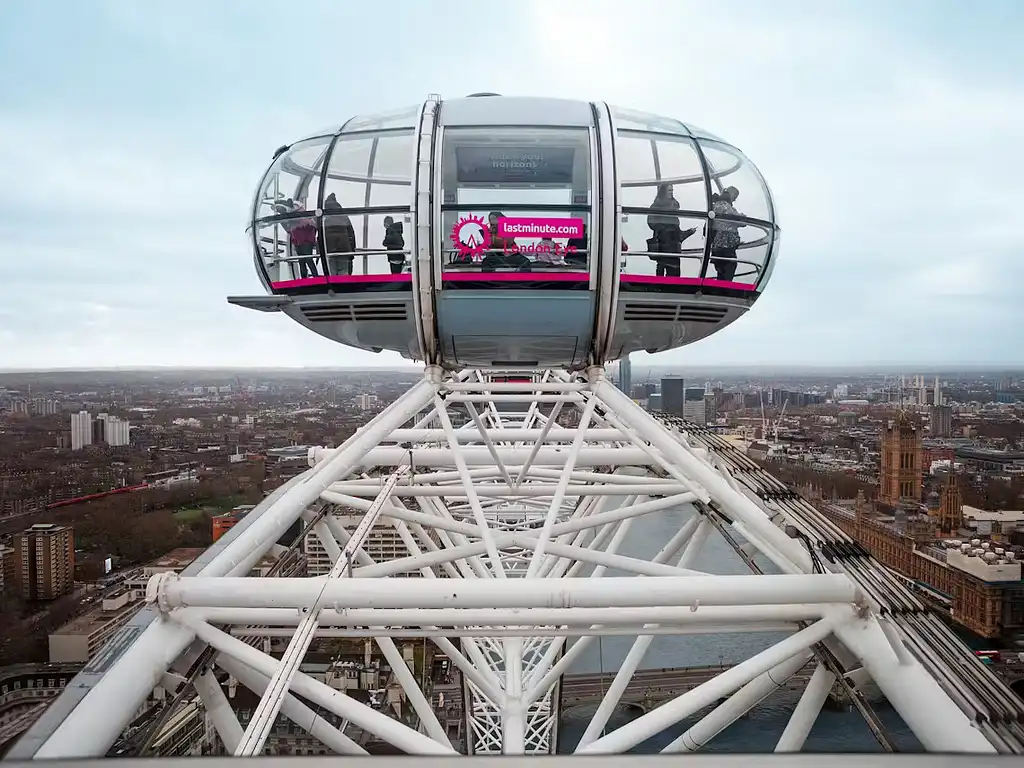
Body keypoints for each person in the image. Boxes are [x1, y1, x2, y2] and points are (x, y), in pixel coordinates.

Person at [647, 184, 696, 277]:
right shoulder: (657, 207)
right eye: (669, 190)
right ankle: (666, 288)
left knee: (667, 270)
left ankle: (663, 288)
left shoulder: (664, 210)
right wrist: (664, 227)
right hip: (666, 245)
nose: (671, 192)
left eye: (672, 190)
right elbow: (651, 222)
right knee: (669, 270)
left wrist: (689, 232)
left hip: (669, 246)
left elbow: (678, 235)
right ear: (664, 192)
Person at [273, 198, 319, 278]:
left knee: (307, 259)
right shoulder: (296, 215)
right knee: (302, 261)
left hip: (304, 240)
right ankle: (307, 278)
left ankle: (314, 277)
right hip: (300, 240)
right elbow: (290, 229)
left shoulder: (299, 214)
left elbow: (305, 224)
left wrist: (286, 221)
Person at [710, 186, 742, 281]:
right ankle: (723, 290)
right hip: (725, 244)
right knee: (729, 267)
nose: (735, 199)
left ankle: (720, 288)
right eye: (735, 196)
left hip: (718, 244)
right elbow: (739, 220)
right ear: (731, 194)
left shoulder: (717, 204)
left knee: (722, 269)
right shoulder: (724, 205)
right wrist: (742, 216)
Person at [322, 192, 356, 276]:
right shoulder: (343, 216)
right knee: (343, 270)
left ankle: (334, 287)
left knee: (332, 271)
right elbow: (351, 233)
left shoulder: (325, 219)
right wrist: (352, 249)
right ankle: (344, 287)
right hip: (343, 246)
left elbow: (322, 235)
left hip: (330, 248)